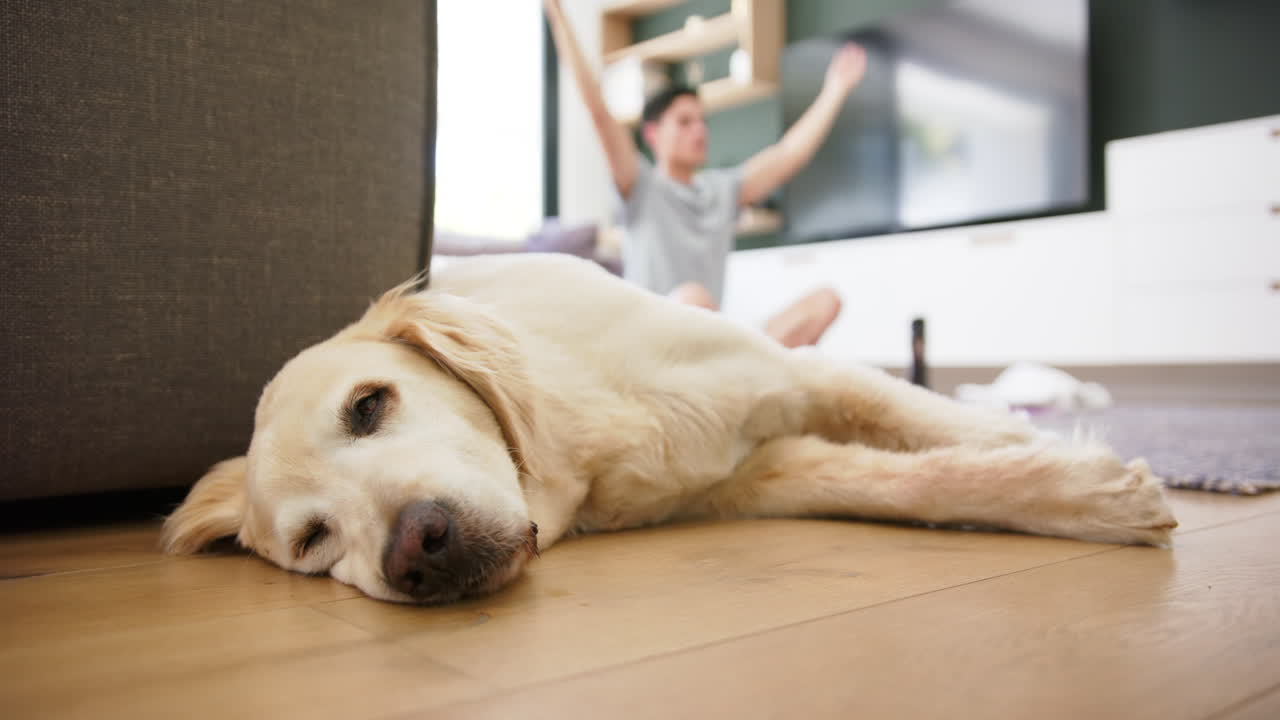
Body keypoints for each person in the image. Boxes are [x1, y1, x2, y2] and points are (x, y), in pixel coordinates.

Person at [544, 0, 867, 348]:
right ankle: (744, 371)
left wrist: (836, 89)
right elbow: (599, 113)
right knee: (693, 298)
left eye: (702, 121)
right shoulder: (641, 186)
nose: (699, 131)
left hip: (713, 338)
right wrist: (559, 19)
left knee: (824, 302)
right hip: (652, 343)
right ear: (653, 135)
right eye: (684, 122)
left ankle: (741, 371)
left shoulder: (722, 190)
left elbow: (789, 153)